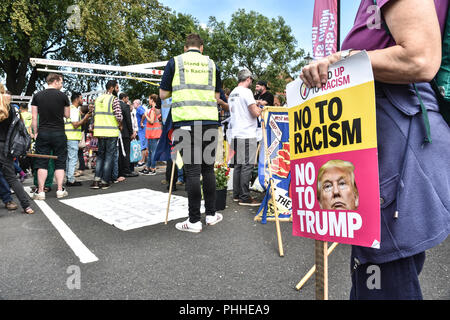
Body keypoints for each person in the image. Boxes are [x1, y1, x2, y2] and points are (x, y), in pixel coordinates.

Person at [300, 0, 450, 300]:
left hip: (394, 138)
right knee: (376, 268)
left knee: (380, 270)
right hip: (390, 138)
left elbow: (419, 58)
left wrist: (343, 58)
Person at [159, 33, 223, 233]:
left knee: (193, 171)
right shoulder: (212, 65)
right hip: (210, 122)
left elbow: (162, 94)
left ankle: (194, 220)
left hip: (185, 122)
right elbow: (217, 96)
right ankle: (211, 215)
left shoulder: (175, 62)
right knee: (208, 169)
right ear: (202, 47)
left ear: (185, 47)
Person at [31, 73, 70, 200]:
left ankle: (40, 191)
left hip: (43, 133)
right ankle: (60, 190)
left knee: (42, 162)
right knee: (60, 162)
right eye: (61, 82)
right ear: (55, 81)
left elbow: (34, 118)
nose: (62, 84)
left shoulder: (37, 96)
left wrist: (35, 132)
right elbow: (67, 115)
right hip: (59, 133)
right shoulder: (63, 96)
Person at [229, 69, 262, 207]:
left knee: (238, 165)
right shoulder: (246, 92)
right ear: (248, 79)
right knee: (247, 166)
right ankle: (245, 197)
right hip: (247, 132)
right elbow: (254, 112)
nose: (251, 83)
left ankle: (237, 194)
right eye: (251, 80)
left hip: (236, 132)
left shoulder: (232, 93)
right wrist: (260, 108)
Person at [0, 84, 33, 214]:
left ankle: (9, 200)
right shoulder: (12, 109)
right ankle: (26, 206)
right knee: (12, 178)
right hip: (6, 147)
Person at [90, 80, 122, 190]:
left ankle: (96, 181)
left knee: (100, 157)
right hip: (111, 132)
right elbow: (119, 116)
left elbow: (93, 115)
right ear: (112, 88)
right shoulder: (114, 99)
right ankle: (104, 182)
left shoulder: (98, 99)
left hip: (99, 132)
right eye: (116, 87)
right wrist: (120, 124)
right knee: (109, 157)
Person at [65, 92, 92, 187]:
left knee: (69, 159)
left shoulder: (69, 109)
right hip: (72, 137)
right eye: (81, 98)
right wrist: (85, 118)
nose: (82, 100)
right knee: (72, 159)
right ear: (76, 99)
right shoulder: (74, 110)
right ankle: (71, 180)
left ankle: (69, 178)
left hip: (68, 136)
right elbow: (75, 124)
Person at [118, 92, 138, 179]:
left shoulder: (116, 105)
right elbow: (128, 121)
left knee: (120, 153)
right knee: (126, 152)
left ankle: (120, 170)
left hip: (118, 133)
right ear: (125, 98)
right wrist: (131, 132)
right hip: (125, 133)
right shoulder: (125, 106)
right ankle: (127, 170)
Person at [141, 94, 162, 175]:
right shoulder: (156, 109)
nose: (148, 101)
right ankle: (149, 168)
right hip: (153, 133)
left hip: (153, 134)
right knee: (150, 152)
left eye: (149, 99)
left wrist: (146, 115)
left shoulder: (153, 110)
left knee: (152, 152)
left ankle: (152, 168)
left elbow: (151, 121)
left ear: (152, 100)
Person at [136, 100, 148, 167]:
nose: (133, 104)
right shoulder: (142, 108)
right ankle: (143, 160)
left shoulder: (139, 108)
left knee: (143, 145)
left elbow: (144, 114)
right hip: (143, 129)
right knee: (144, 145)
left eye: (134, 103)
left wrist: (141, 122)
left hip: (142, 129)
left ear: (137, 103)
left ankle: (142, 161)